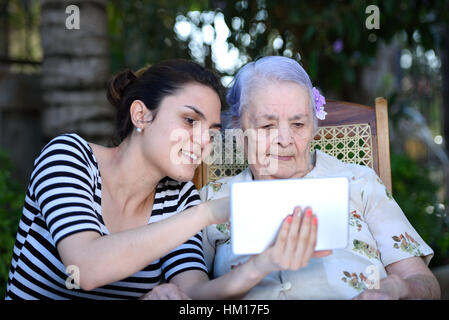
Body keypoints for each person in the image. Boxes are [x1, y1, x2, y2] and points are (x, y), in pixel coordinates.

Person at [5, 59, 327, 300]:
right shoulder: (69, 157)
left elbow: (197, 295)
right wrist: (209, 212)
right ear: (141, 115)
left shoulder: (178, 197)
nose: (204, 141)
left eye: (212, 132)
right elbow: (87, 267)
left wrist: (265, 263)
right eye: (190, 120)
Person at [200, 56, 441, 300]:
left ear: (314, 125)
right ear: (238, 130)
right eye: (267, 126)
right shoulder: (212, 201)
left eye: (298, 124)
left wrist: (400, 289)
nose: (285, 139)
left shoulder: (360, 182)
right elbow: (188, 292)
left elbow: (423, 281)